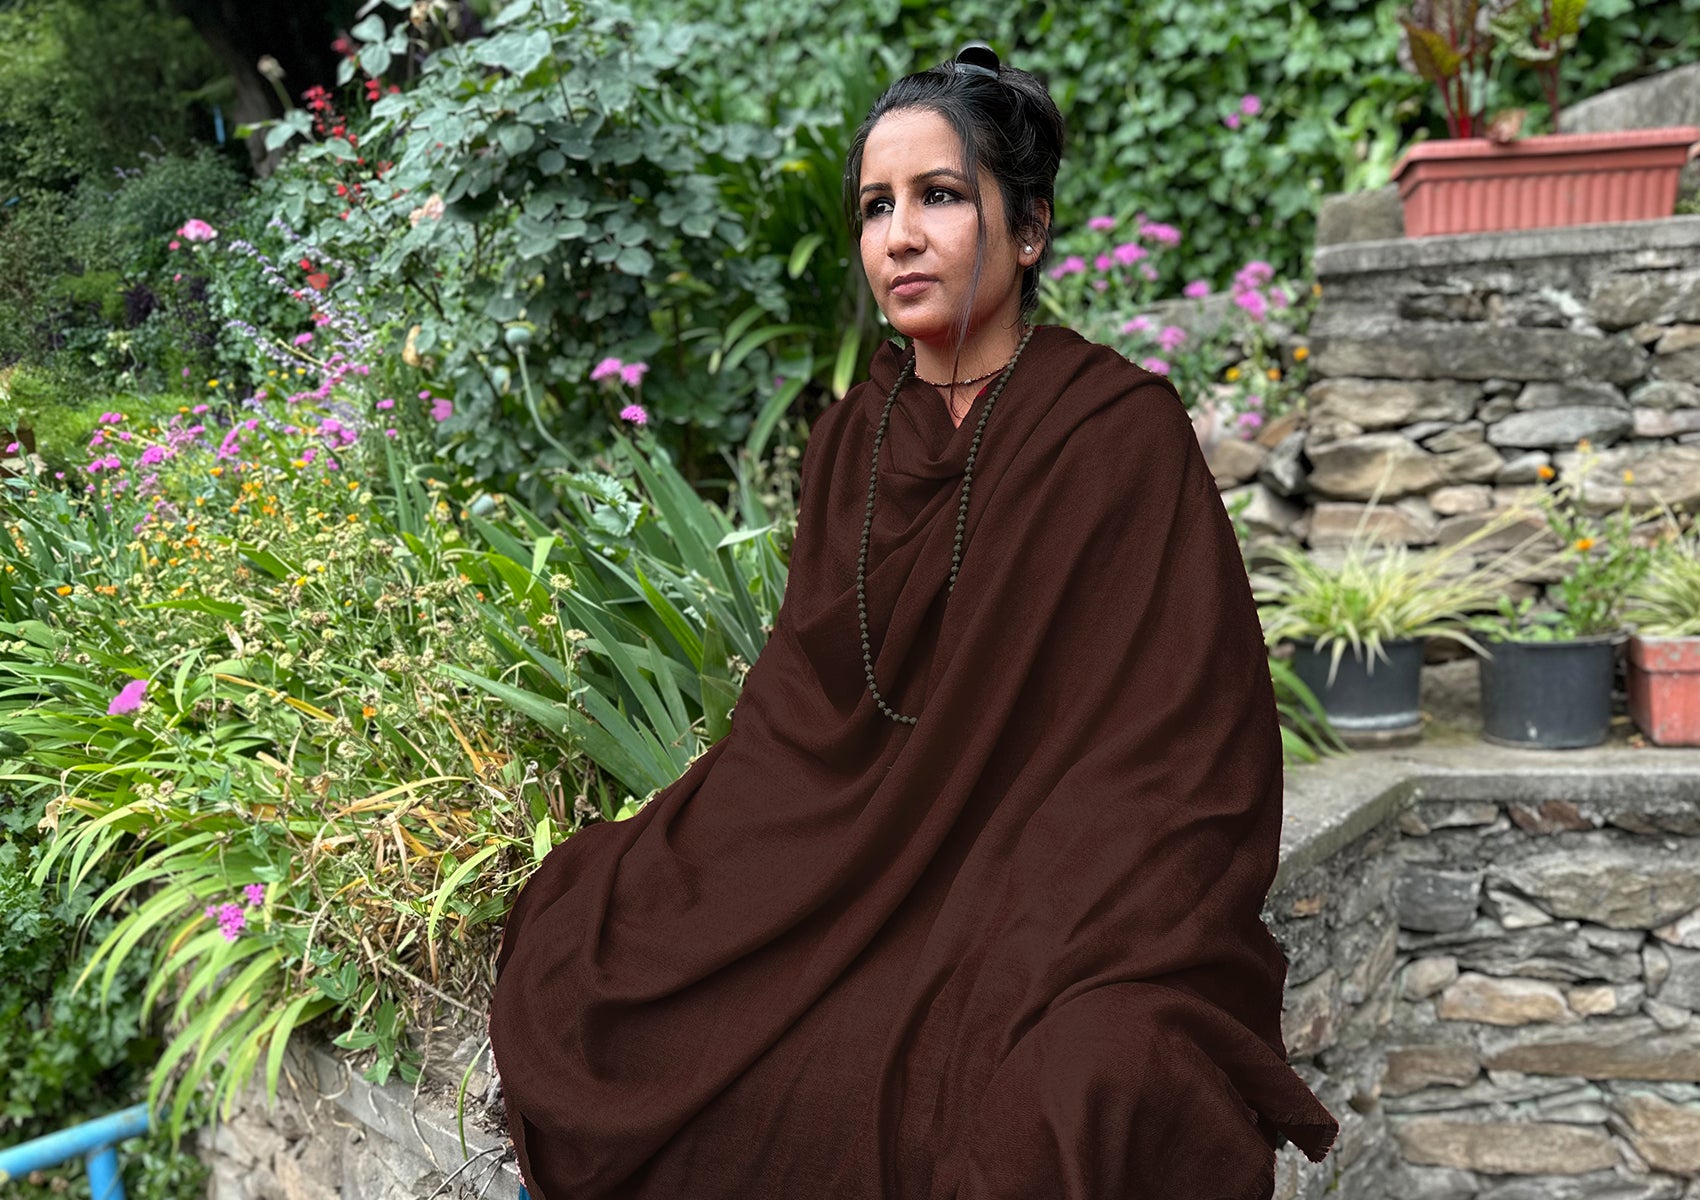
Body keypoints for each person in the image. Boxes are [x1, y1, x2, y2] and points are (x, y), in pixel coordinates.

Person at [488, 42, 1339, 1200]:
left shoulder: (1114, 430)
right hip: (846, 857)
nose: (898, 236)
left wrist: (1030, 916)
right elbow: (804, 707)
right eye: (874, 207)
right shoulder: (852, 436)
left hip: (1051, 874)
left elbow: (1180, 748)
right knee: (605, 964)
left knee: (1078, 1081)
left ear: (1025, 230)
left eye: (939, 198)